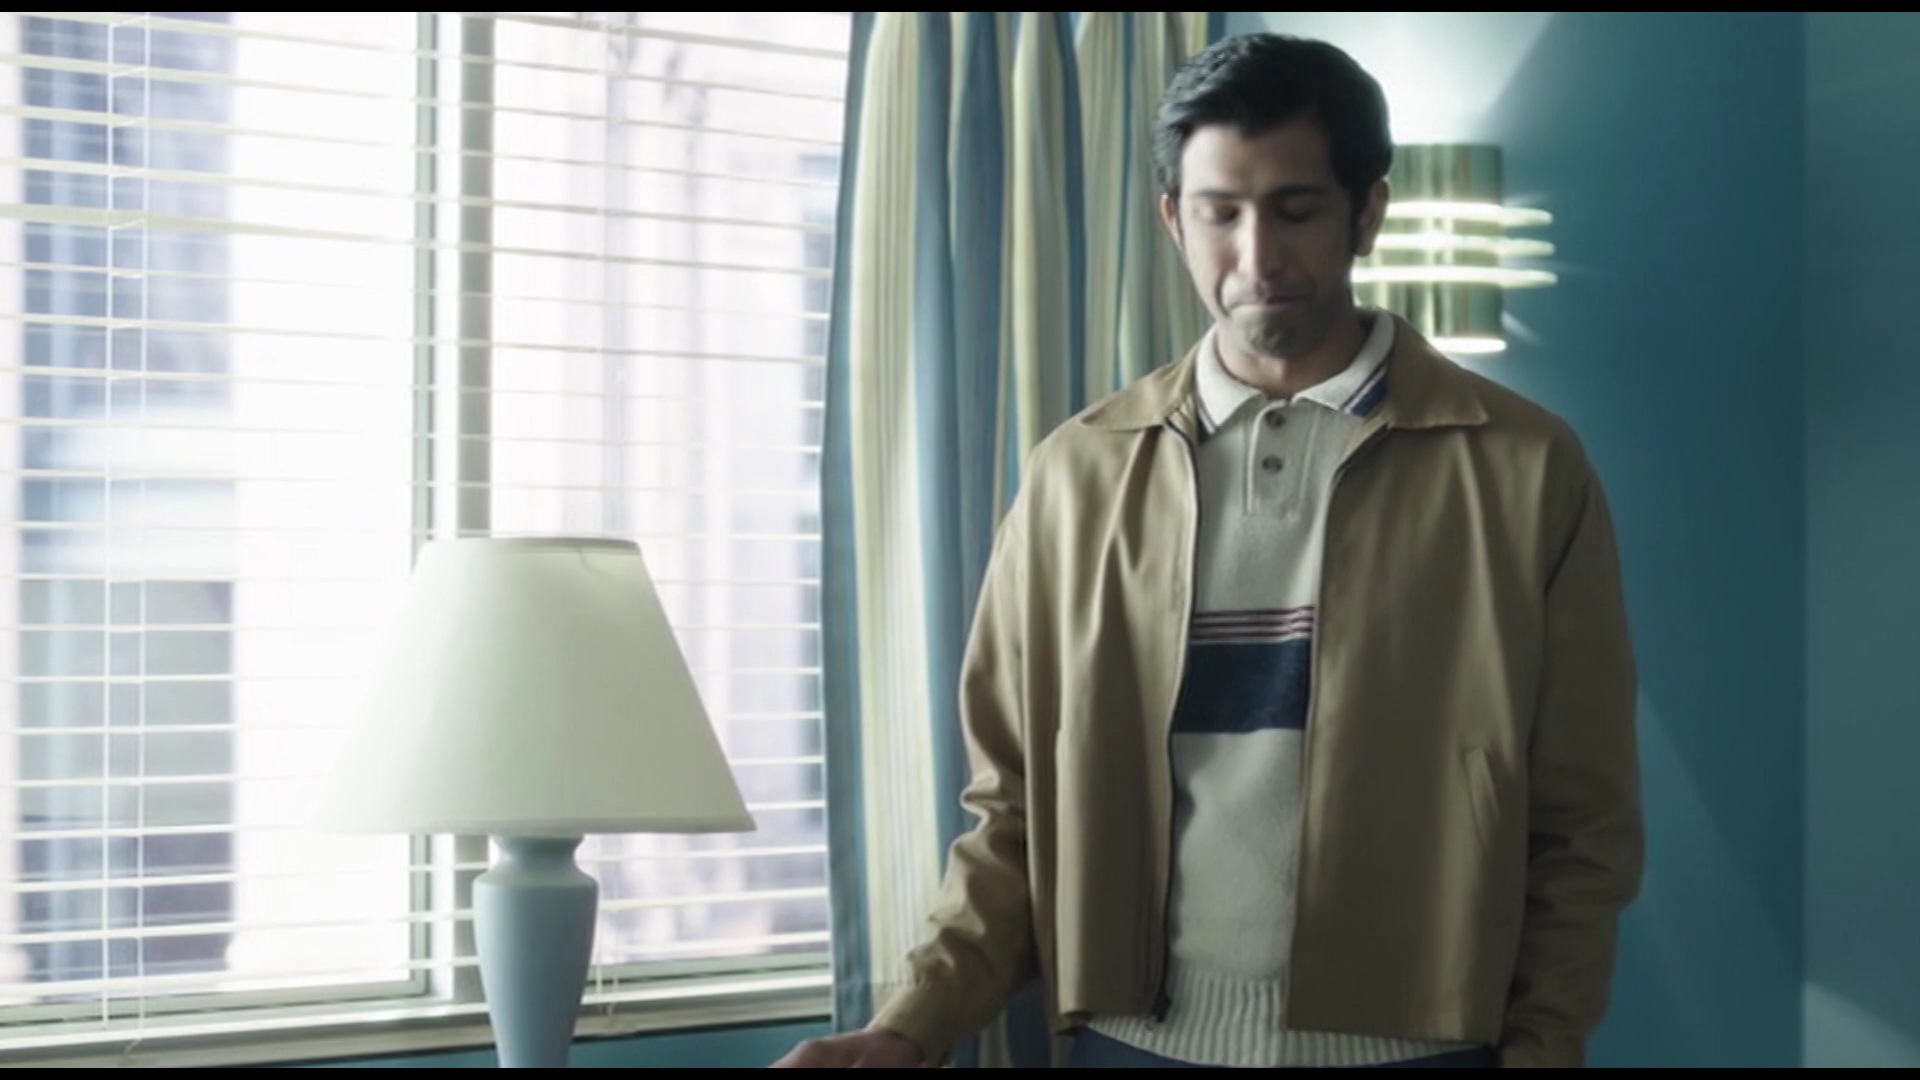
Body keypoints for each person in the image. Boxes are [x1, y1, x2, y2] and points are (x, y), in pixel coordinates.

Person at [775, 32, 1643, 1069]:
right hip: (1133, 1045)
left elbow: (1581, 827)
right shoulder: (1076, 476)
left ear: (1368, 211)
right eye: (1220, 213)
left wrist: (1544, 1051)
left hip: (1416, 1051)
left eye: (1296, 210)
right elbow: (1012, 813)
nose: (1257, 258)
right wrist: (909, 1027)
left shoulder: (1524, 468)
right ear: (1171, 219)